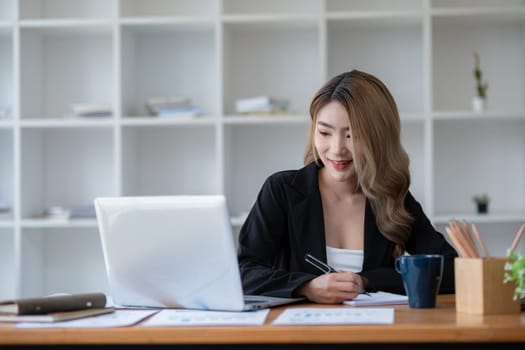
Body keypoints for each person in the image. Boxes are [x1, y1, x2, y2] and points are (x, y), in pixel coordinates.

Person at [237, 70, 458, 304]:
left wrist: (366, 281)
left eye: (351, 135)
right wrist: (306, 286)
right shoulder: (282, 190)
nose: (336, 149)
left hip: (373, 332)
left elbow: (451, 271)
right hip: (300, 332)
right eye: (324, 133)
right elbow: (243, 272)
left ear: (378, 137)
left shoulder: (392, 197)